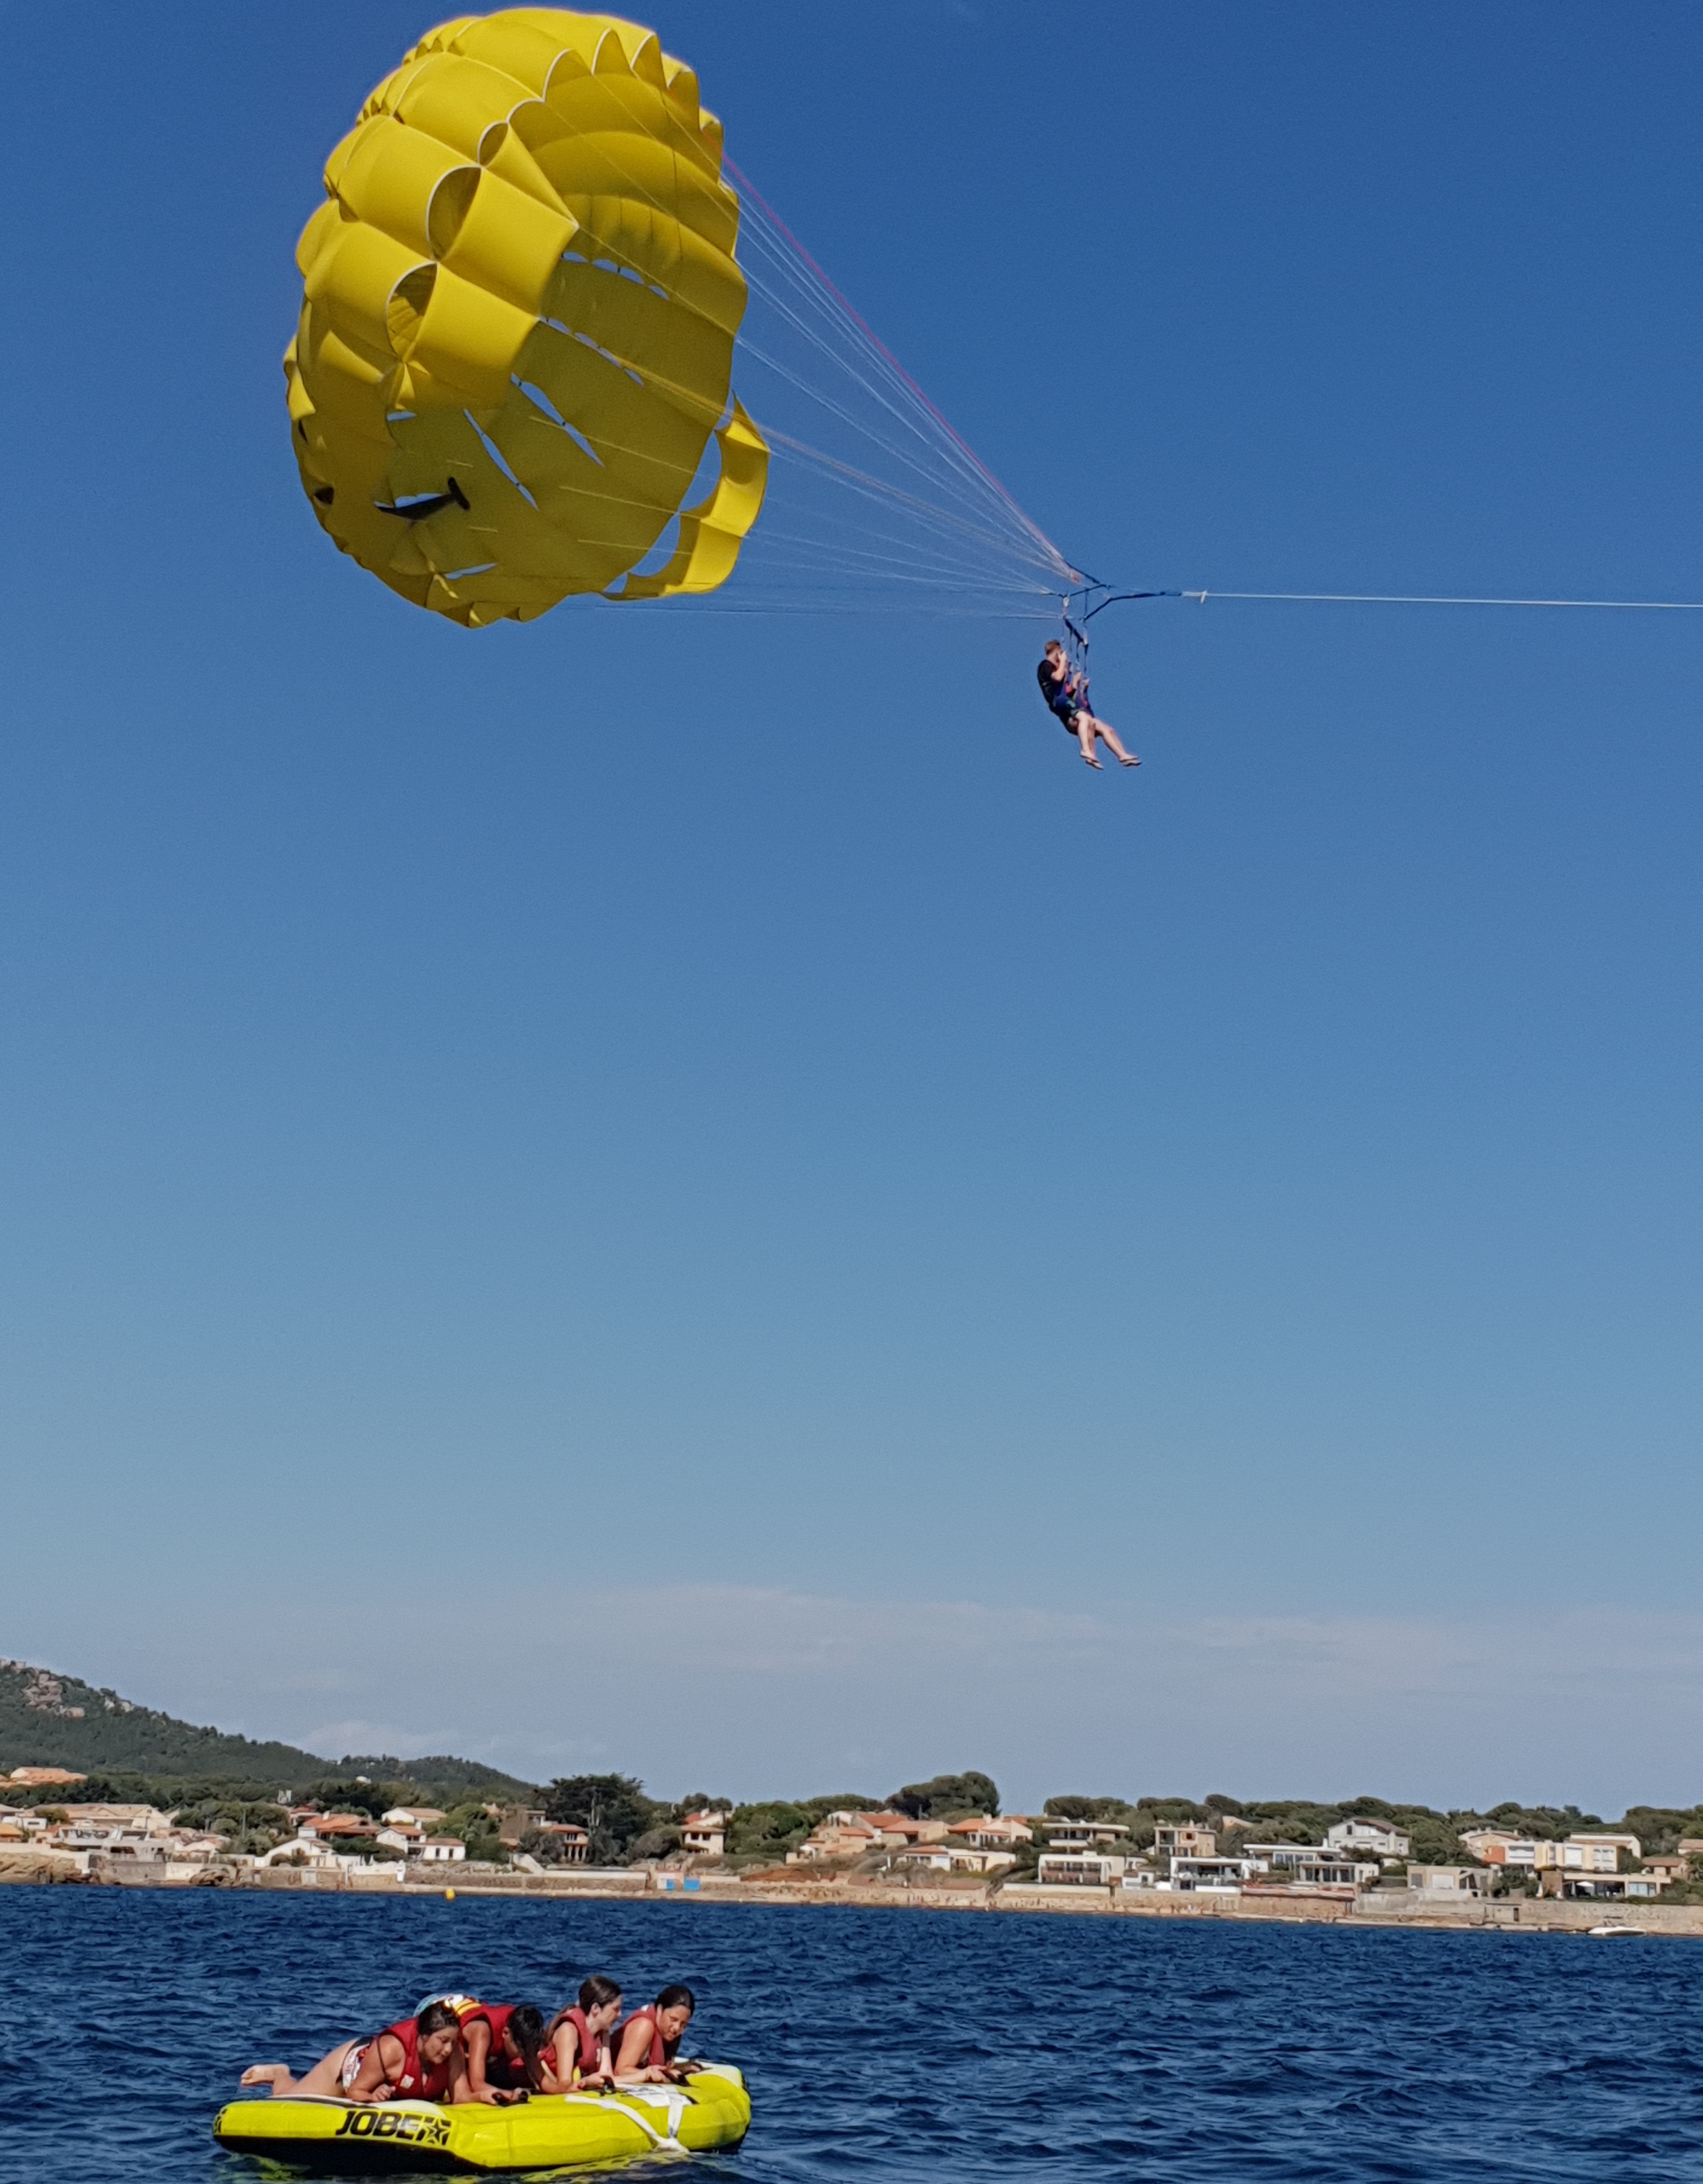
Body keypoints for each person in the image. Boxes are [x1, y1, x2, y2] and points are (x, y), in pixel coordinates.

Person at [239, 2000, 473, 2103]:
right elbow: (356, 2091)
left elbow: (462, 2097)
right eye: (443, 2041)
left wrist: (500, 2095)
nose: (448, 2049)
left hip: (377, 2066)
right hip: (351, 2066)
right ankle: (280, 2074)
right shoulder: (393, 2050)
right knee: (287, 2099)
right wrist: (372, 2097)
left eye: (452, 2042)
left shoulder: (452, 2052)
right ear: (424, 2036)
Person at [424, 1996, 558, 2097]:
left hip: (466, 2004)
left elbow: (543, 2081)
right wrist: (510, 2094)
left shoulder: (523, 2029)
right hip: (433, 2008)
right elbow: (477, 2084)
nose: (523, 2056)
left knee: (511, 2075)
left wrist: (568, 2088)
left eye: (527, 2051)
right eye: (521, 2049)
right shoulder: (482, 2031)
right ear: (505, 2033)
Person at [1037, 640, 1139, 771]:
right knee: (1085, 719)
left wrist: (1080, 686)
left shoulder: (1062, 680)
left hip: (1067, 704)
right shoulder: (1045, 666)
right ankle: (1086, 750)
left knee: (1106, 728)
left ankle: (1122, 755)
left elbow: (1070, 691)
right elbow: (1058, 677)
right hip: (1060, 704)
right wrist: (1063, 661)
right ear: (1057, 654)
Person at [612, 1984, 700, 2084]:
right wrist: (656, 2075)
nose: (677, 2028)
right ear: (660, 2010)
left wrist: (681, 2068)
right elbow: (620, 2071)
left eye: (684, 2024)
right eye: (673, 2019)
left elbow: (661, 2065)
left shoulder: (672, 2031)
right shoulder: (644, 2026)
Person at [549, 1974, 624, 2090]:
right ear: (595, 2009)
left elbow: (608, 2077)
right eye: (616, 2009)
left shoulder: (603, 2033)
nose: (620, 2015)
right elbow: (563, 2086)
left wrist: (645, 2074)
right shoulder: (568, 2031)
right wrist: (586, 2082)